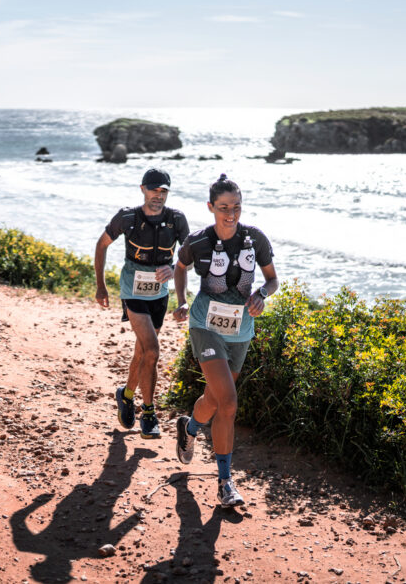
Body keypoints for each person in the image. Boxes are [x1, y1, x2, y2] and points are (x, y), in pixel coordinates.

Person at [172, 174, 278, 506]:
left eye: (236, 206)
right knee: (229, 402)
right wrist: (182, 300)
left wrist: (261, 294)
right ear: (211, 208)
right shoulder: (199, 241)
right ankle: (225, 483)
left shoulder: (255, 238)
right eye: (223, 208)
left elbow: (273, 280)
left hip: (241, 330)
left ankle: (189, 429)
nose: (230, 214)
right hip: (205, 325)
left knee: (215, 401)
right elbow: (180, 267)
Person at [95, 168, 190, 439]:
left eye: (163, 191)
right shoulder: (127, 217)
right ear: (142, 189)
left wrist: (173, 268)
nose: (158, 196)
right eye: (154, 190)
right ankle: (148, 414)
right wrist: (101, 285)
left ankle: (125, 395)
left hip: (159, 295)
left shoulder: (176, 219)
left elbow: (190, 256)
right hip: (132, 291)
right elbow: (101, 245)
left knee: (143, 353)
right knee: (152, 350)